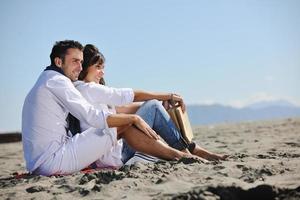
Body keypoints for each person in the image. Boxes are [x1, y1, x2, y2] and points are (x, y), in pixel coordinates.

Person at [21, 40, 194, 176]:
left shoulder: (48, 80)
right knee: (115, 124)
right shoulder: (56, 82)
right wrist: (133, 118)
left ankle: (182, 152)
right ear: (58, 61)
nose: (80, 67)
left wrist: (139, 111)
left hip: (43, 161)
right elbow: (91, 116)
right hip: (53, 161)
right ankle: (180, 155)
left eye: (81, 62)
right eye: (75, 61)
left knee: (117, 121)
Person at [74, 44, 227, 167]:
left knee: (153, 106)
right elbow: (133, 96)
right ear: (85, 68)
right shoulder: (87, 88)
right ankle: (189, 151)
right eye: (98, 67)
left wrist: (160, 108)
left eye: (103, 67)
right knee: (153, 106)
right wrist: (168, 96)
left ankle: (190, 149)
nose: (102, 73)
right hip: (114, 155)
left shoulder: (93, 94)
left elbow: (128, 107)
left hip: (113, 153)